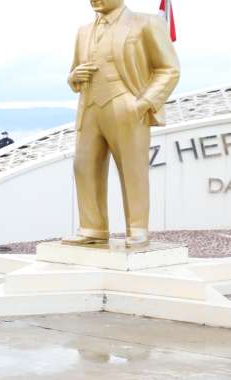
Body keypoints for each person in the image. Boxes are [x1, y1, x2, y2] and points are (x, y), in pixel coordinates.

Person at [63, 0, 179, 248]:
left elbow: (169, 69)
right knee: (83, 166)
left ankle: (137, 228)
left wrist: (143, 103)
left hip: (126, 105)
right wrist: (74, 77)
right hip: (90, 107)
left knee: (132, 169)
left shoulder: (146, 23)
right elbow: (73, 71)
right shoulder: (83, 31)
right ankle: (92, 228)